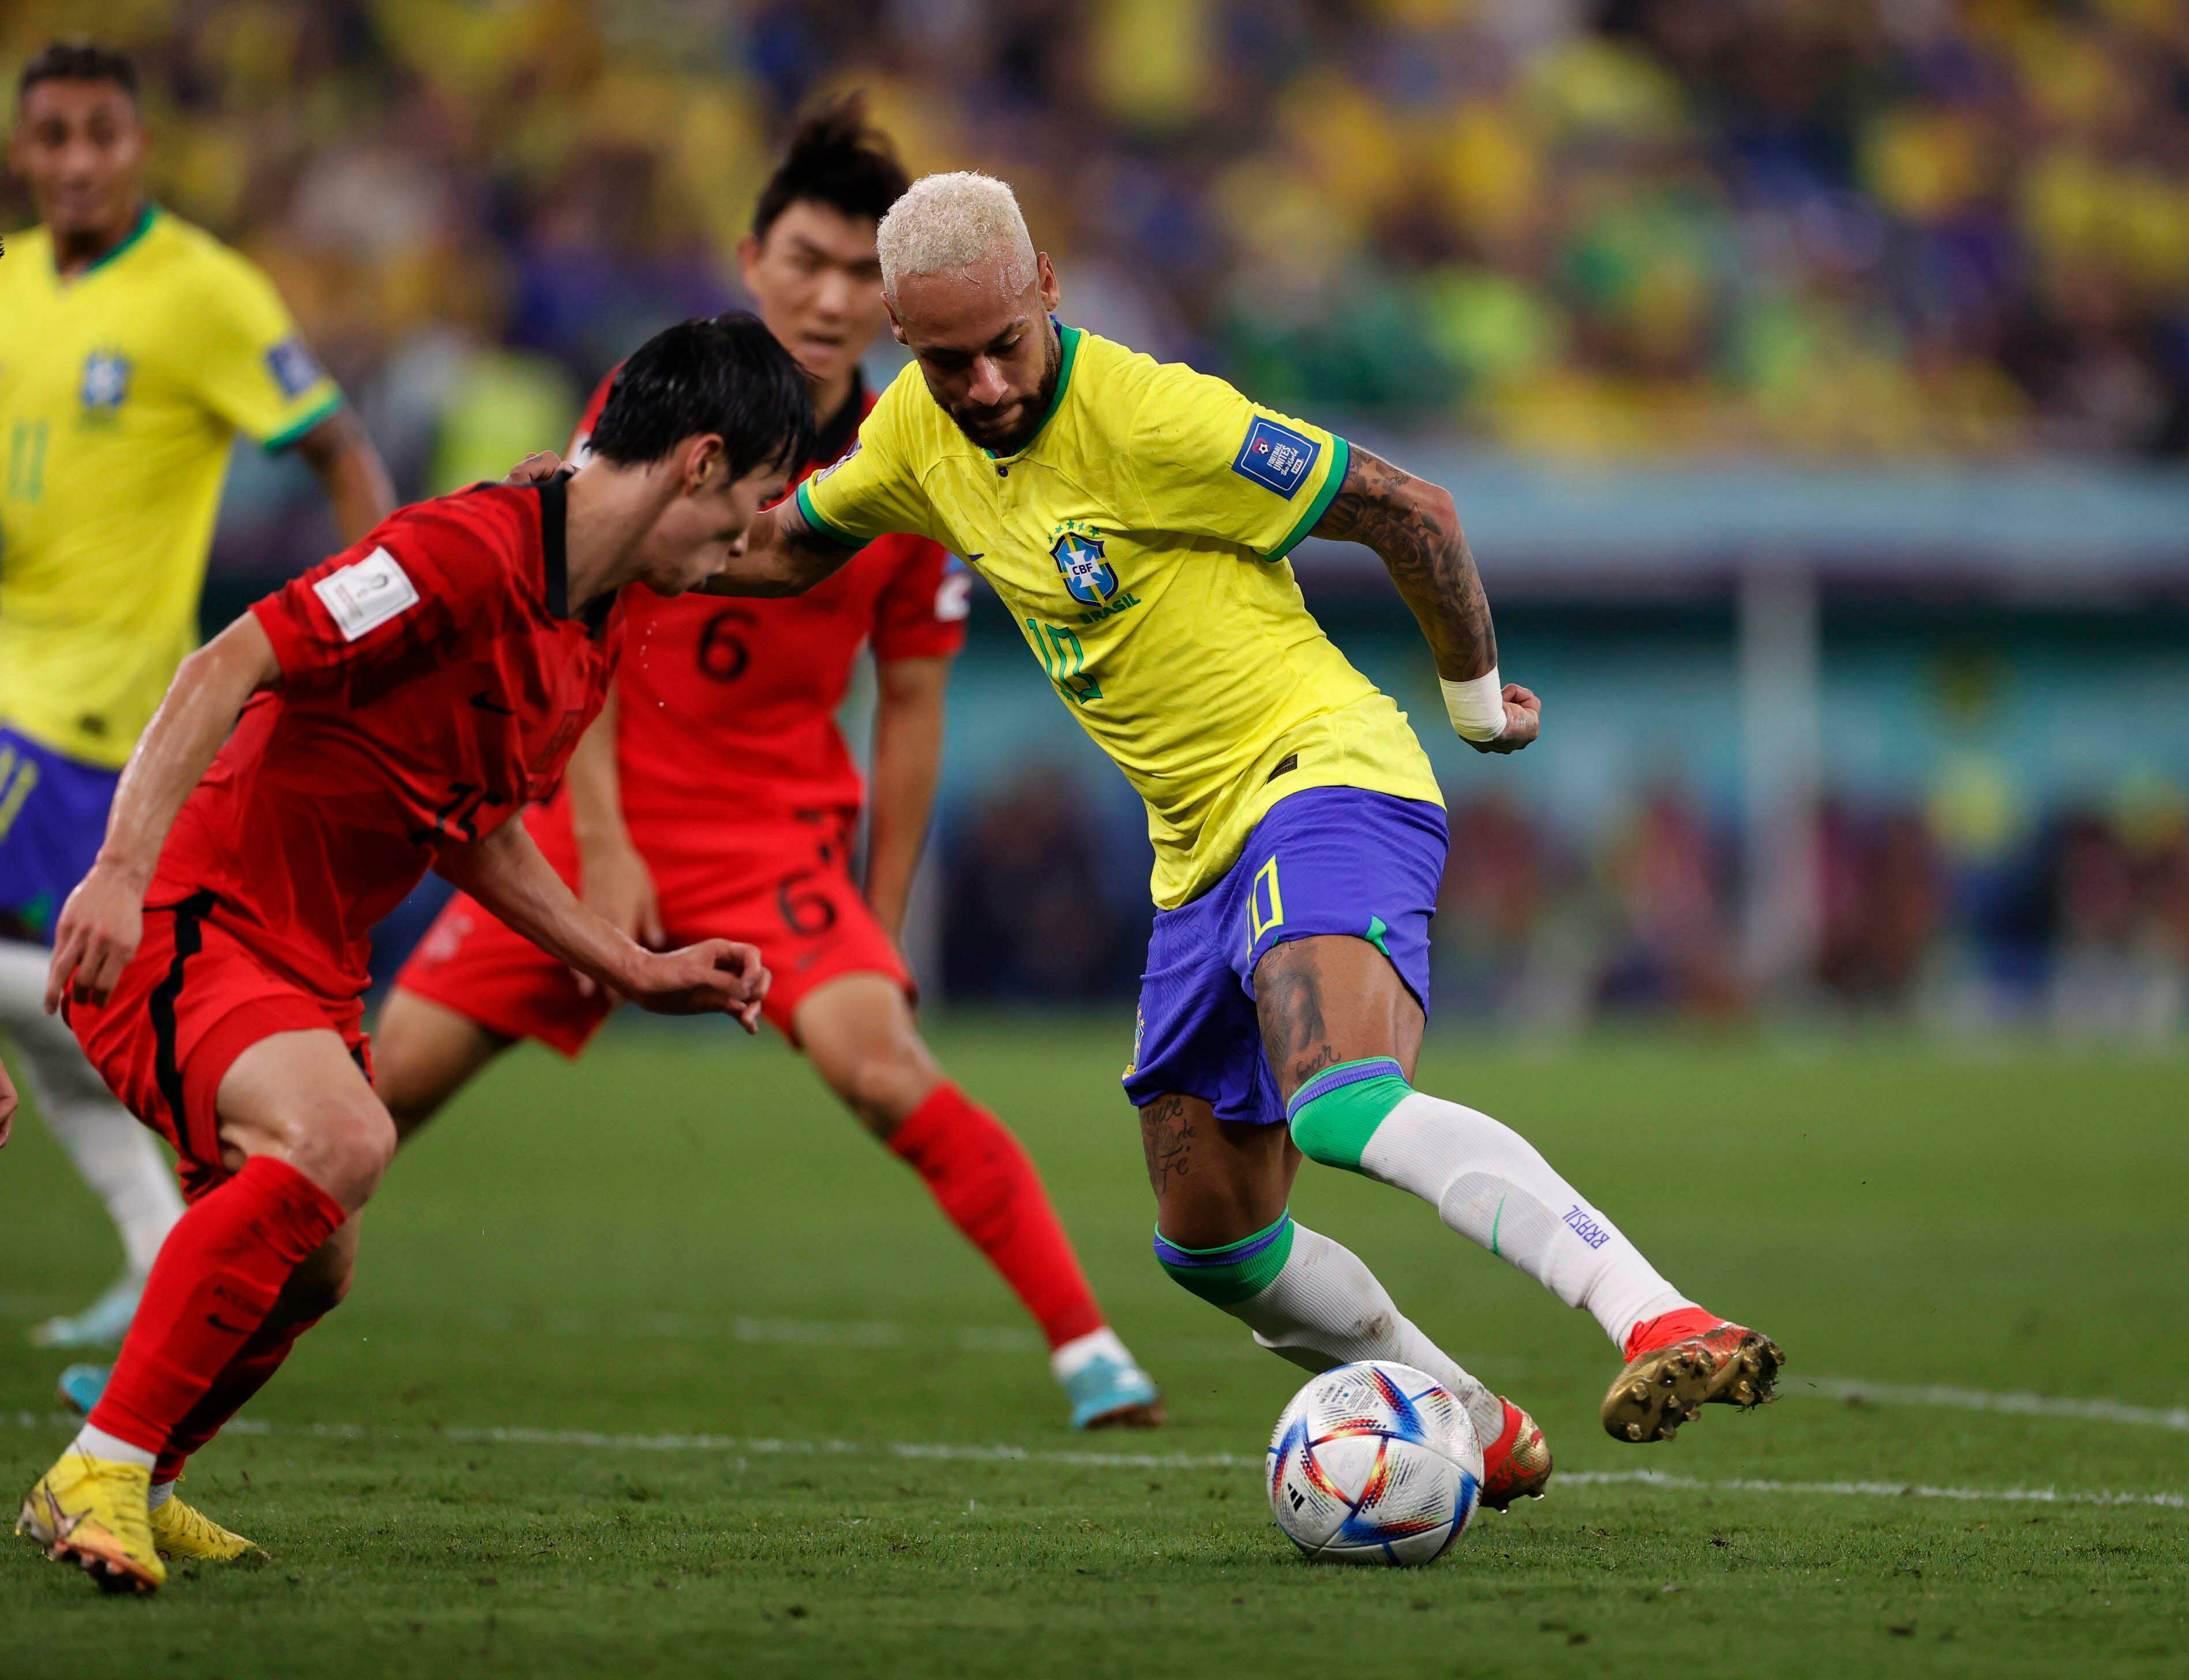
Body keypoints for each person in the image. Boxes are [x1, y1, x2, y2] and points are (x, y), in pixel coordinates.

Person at [609, 171, 1787, 1513]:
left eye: (1005, 344)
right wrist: (617, 528)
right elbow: (782, 550)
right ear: (899, 341)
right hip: (1195, 857)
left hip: (1322, 775)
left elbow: (1412, 510)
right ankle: (1471, 1420)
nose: (986, 384)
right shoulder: (911, 442)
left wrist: (1472, 708)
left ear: (1047, 284)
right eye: (947, 362)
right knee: (1215, 1244)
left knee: (1340, 1101)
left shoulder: (1154, 415)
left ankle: (1656, 1316)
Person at [368, 100, 1160, 1430]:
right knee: (366, 1099)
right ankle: (169, 1304)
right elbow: (581, 616)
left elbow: (912, 703)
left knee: (884, 1068)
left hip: (768, 843)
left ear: (899, 303)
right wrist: (607, 850)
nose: (833, 294)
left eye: (864, 274)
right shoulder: (657, 400)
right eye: (809, 259)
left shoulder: (921, 447)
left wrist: (887, 919)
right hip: (585, 813)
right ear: (752, 261)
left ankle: (1090, 1350)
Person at [14, 314, 799, 1595]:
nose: (747, 540)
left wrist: (630, 962)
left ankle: (139, 1478)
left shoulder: (588, 621)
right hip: (188, 911)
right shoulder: (459, 553)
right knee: (344, 1142)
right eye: (753, 503)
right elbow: (231, 660)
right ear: (700, 462)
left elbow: (470, 823)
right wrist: (117, 866)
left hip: (304, 958)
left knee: (319, 1258)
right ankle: (97, 1464)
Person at [0, 39, 397, 1352]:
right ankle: (169, 1245)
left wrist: (378, 626)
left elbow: (339, 447)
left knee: (71, 985)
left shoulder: (202, 292)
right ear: (22, 149)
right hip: (9, 684)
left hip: (93, 713)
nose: (74, 162)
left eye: (99, 135)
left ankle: (206, 1223)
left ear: (140, 147)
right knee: (72, 998)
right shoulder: (7, 290)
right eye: (50, 136)